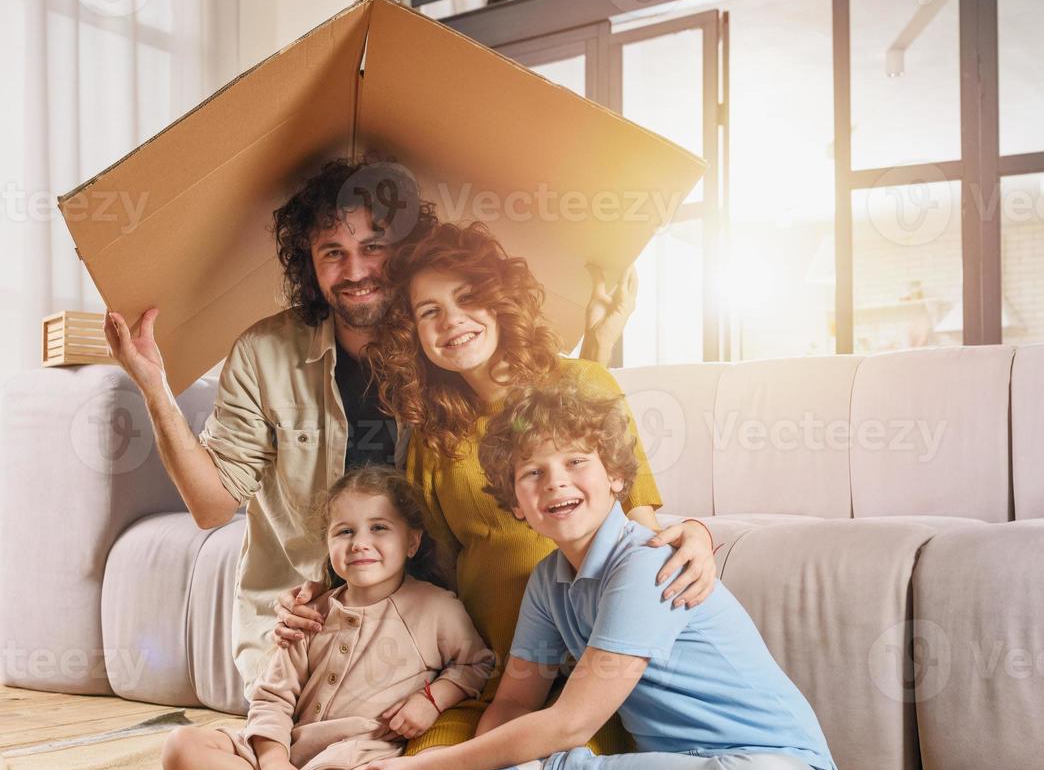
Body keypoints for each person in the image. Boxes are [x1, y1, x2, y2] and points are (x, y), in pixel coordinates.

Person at [102, 158, 674, 700]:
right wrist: (155, 387)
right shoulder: (263, 353)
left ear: (403, 255)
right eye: (332, 253)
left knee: (391, 763)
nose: (354, 272)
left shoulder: (444, 357)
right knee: (303, 752)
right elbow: (209, 509)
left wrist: (599, 346)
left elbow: (552, 421)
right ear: (310, 263)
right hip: (300, 619)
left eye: (372, 248)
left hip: (418, 618)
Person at [335, 380, 923, 770]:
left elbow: (570, 722)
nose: (555, 481)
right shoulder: (548, 582)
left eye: (575, 462)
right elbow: (514, 702)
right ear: (515, 502)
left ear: (617, 476)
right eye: (532, 472)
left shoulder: (645, 564)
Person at [273, 222, 718, 770]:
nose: (451, 322)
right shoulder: (431, 434)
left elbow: (637, 521)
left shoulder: (584, 385)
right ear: (413, 334)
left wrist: (695, 533)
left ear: (501, 302)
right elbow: (422, 565)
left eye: (468, 298)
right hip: (490, 677)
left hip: (585, 678)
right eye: (429, 312)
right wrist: (326, 597)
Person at [158, 465, 494, 770]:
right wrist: (274, 765)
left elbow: (478, 664)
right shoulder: (309, 614)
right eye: (345, 531)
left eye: (379, 528)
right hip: (288, 753)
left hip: (358, 761)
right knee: (179, 748)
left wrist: (432, 700)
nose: (360, 543)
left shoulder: (435, 608)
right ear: (328, 544)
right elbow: (272, 699)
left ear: (412, 542)